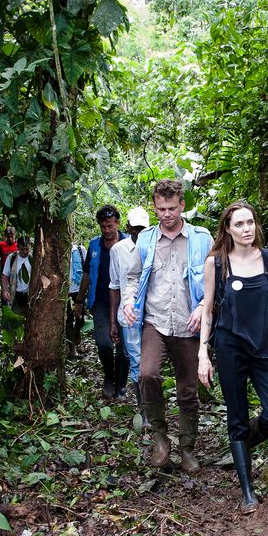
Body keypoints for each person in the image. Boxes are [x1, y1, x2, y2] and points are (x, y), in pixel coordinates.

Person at [197, 202, 268, 512]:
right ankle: (247, 490)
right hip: (229, 347)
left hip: (263, 347)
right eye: (239, 224)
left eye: (250, 222)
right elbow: (208, 311)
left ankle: (244, 444)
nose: (247, 229)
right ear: (227, 229)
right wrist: (202, 355)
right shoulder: (217, 263)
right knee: (236, 415)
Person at [122, 180, 213, 473]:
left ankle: (187, 448)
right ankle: (160, 438)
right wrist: (128, 301)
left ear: (182, 206)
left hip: (190, 325)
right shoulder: (146, 240)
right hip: (155, 321)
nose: (166, 214)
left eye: (172, 208)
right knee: (147, 373)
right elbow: (133, 276)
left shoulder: (201, 238)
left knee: (188, 390)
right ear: (154, 207)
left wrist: (202, 307)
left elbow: (215, 280)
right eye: (161, 209)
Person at [74, 206, 128, 399]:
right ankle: (109, 378)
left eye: (110, 226)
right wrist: (79, 300)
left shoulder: (129, 243)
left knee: (124, 347)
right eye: (103, 226)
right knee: (104, 344)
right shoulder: (95, 245)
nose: (106, 230)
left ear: (118, 224)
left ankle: (121, 386)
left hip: (125, 303)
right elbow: (87, 274)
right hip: (101, 302)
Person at [110, 208, 148, 405]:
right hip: (129, 314)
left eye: (142, 229)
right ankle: (143, 406)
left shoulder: (153, 246)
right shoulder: (118, 250)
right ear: (128, 227)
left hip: (152, 314)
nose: (138, 233)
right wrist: (113, 322)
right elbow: (115, 286)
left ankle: (150, 401)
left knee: (149, 362)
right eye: (135, 229)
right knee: (136, 358)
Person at [0, 236, 32, 312]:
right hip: (15, 294)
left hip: (30, 294)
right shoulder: (12, 258)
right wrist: (5, 290)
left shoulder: (33, 258)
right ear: (17, 247)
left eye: (27, 249)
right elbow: (5, 275)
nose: (25, 252)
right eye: (22, 249)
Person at [66, 241, 87, 345]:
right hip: (65, 292)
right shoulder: (59, 252)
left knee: (80, 318)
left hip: (78, 290)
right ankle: (71, 347)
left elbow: (87, 269)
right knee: (68, 319)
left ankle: (77, 333)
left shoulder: (80, 250)